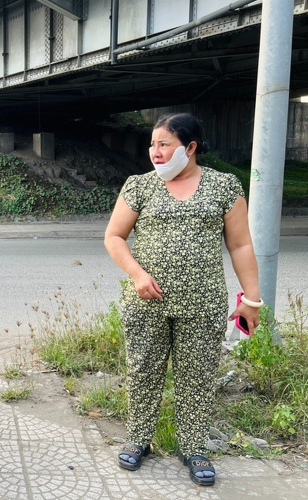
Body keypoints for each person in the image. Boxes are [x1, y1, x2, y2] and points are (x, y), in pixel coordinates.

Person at [104, 113, 262, 489]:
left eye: (165, 145)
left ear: (190, 147)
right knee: (143, 370)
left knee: (197, 377)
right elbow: (114, 237)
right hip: (146, 302)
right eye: (152, 145)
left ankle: (192, 448)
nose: (155, 153)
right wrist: (139, 275)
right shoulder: (139, 186)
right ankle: (139, 439)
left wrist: (251, 301)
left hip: (203, 303)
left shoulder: (224, 186)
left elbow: (240, 244)